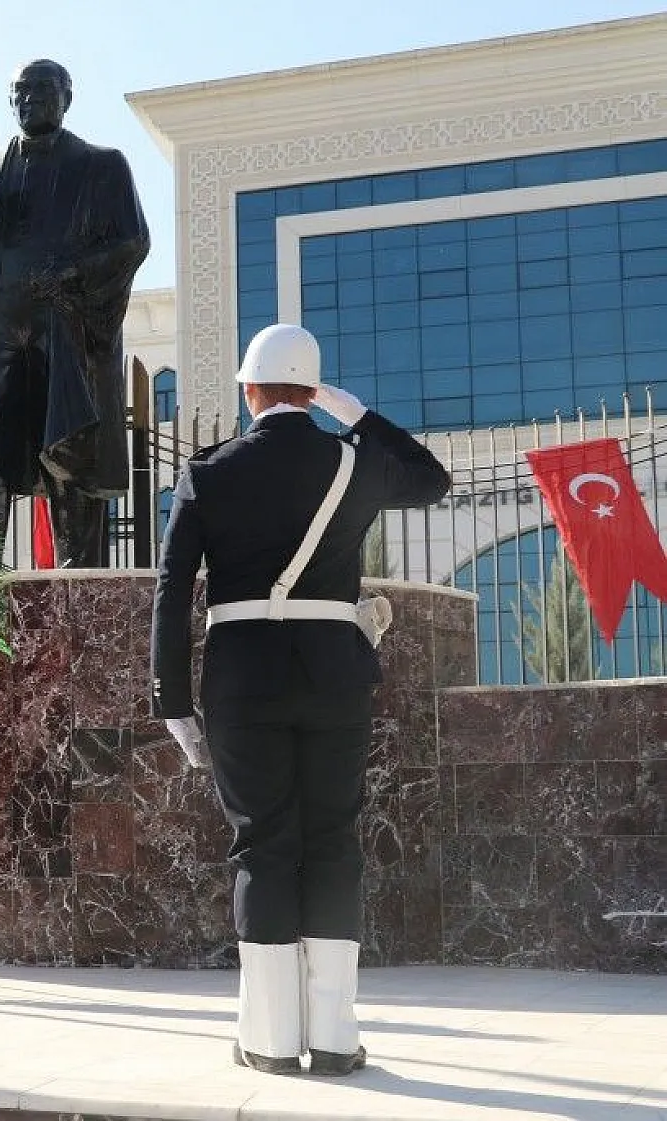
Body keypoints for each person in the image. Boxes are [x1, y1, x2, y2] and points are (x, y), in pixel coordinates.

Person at [149, 325, 450, 1076]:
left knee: (262, 843)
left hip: (242, 677)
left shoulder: (209, 473)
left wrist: (172, 699)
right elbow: (433, 479)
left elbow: (171, 590)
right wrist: (359, 416)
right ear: (312, 393)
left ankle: (274, 1039)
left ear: (250, 391)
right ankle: (338, 1036)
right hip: (335, 675)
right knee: (332, 841)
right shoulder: (355, 464)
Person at [0, 58, 150, 566]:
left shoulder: (101, 164)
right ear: (9, 99)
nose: (32, 100)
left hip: (65, 323)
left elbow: (131, 241)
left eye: (44, 91)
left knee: (71, 446)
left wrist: (69, 272)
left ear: (67, 98)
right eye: (22, 92)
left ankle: (79, 575)